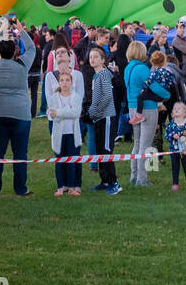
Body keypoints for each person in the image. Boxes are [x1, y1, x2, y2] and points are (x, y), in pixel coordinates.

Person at [0, 21, 36, 197]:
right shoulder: (22, 65)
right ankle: (20, 188)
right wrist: (21, 30)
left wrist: (0, 30)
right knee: (20, 153)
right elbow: (32, 49)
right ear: (15, 52)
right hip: (20, 114)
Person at [125, 41, 165, 186]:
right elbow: (154, 87)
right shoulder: (142, 69)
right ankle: (142, 179)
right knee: (145, 144)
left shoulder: (128, 68)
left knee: (137, 143)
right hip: (147, 108)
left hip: (132, 108)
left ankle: (134, 175)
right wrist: (167, 94)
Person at [87, 45, 121, 194]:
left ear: (102, 60)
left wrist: (93, 111)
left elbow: (107, 96)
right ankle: (105, 180)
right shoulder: (96, 75)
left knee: (106, 149)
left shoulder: (103, 74)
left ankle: (114, 183)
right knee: (100, 149)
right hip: (98, 118)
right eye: (90, 57)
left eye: (96, 57)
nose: (92, 59)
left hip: (106, 117)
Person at [47, 67, 83, 195]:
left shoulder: (76, 97)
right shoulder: (53, 98)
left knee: (72, 160)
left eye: (67, 80)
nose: (65, 82)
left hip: (72, 134)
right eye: (62, 80)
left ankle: (72, 187)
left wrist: (59, 112)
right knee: (59, 160)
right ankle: (61, 187)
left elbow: (75, 113)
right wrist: (63, 113)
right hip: (59, 134)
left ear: (71, 83)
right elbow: (52, 114)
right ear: (59, 83)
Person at [164, 100, 186, 190]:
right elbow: (166, 136)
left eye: (179, 108)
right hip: (174, 150)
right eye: (175, 109)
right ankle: (175, 184)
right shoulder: (171, 125)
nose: (176, 110)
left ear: (185, 112)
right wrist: (172, 136)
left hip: (185, 151)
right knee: (175, 167)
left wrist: (185, 136)